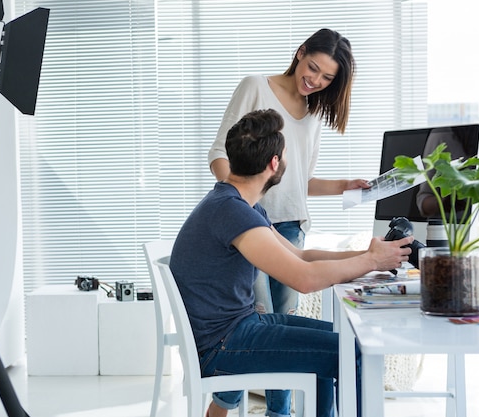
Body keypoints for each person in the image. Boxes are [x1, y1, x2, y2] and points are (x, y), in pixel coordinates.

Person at [171, 109, 413, 417]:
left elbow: (301, 256)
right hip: (224, 344)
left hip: (238, 328)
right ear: (274, 164)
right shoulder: (233, 212)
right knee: (354, 353)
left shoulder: (239, 204)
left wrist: (368, 257)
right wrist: (369, 261)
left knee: (343, 343)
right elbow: (304, 279)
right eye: (285, 154)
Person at [208, 28, 371, 316]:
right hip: (251, 223)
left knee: (285, 320)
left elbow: (301, 181)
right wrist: (243, 205)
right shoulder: (256, 87)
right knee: (259, 316)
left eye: (327, 78)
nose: (316, 80)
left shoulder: (314, 114)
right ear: (301, 52)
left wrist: (345, 185)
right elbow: (219, 155)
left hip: (291, 226)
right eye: (313, 68)